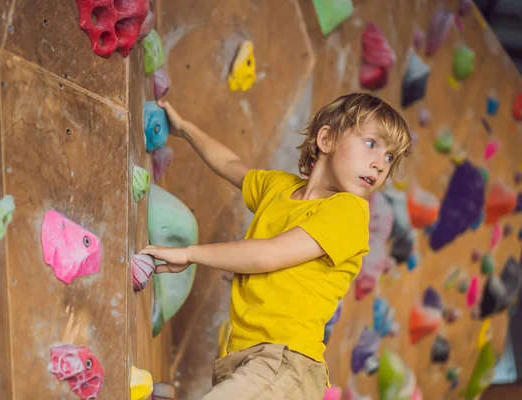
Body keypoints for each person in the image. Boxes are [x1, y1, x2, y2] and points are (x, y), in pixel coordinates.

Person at [140, 93, 411, 399]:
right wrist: (185, 128)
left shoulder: (350, 212)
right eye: (372, 144)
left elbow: (269, 254)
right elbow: (229, 164)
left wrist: (191, 253)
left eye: (390, 158)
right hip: (246, 360)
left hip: (286, 364)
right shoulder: (280, 188)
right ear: (326, 139)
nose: (379, 165)